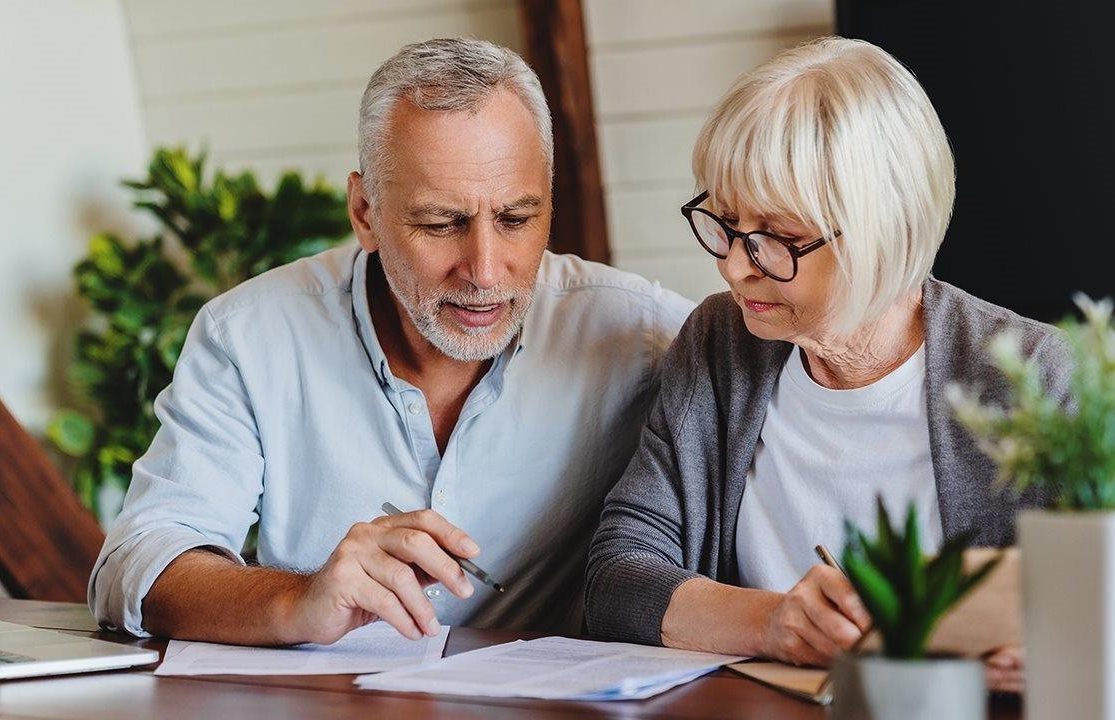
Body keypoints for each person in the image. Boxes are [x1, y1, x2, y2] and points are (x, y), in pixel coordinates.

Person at [583, 36, 1115, 693]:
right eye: (726, 223)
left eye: (778, 238)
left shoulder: (1024, 374)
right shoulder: (719, 343)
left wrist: (1076, 649)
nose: (736, 265)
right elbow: (617, 575)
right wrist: (771, 621)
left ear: (883, 230)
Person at [89, 37, 693, 646]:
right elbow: (137, 562)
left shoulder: (640, 334)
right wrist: (298, 600)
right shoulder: (248, 336)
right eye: (440, 223)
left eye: (516, 219)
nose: (485, 270)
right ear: (365, 212)